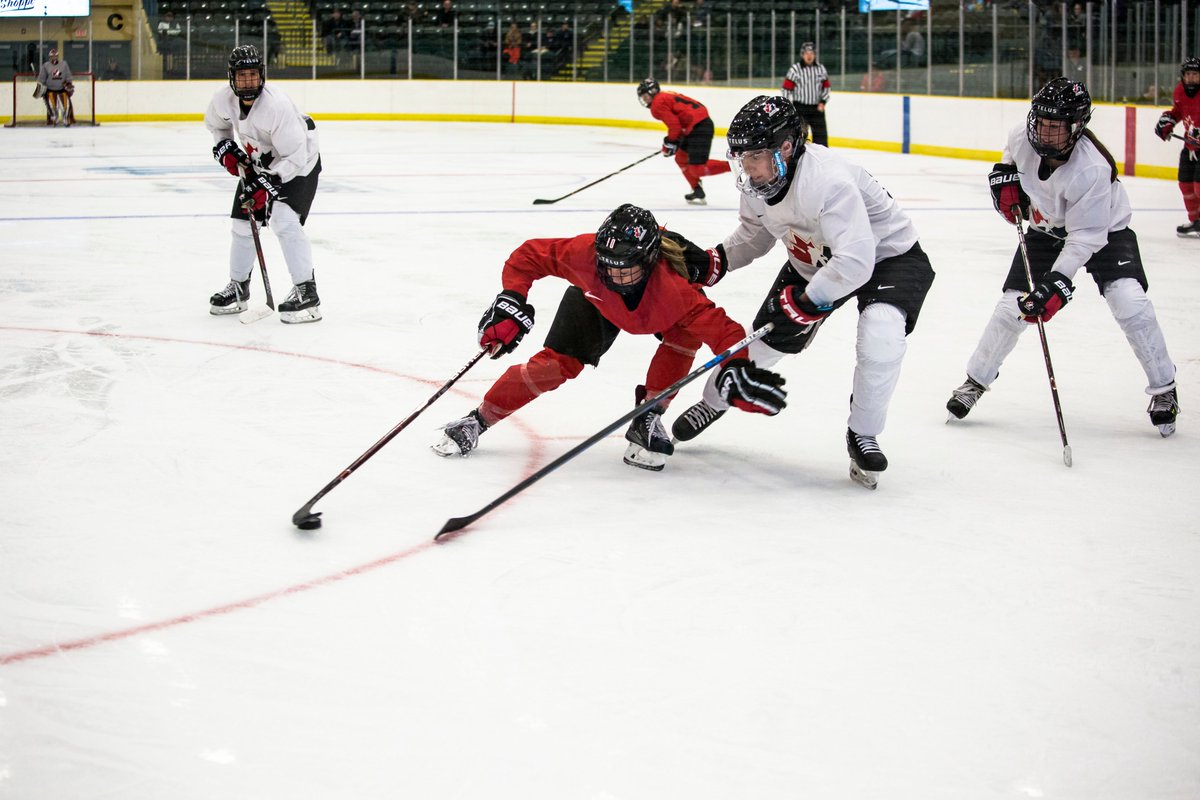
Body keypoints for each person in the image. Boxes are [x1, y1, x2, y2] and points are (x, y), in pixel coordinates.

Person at [669, 96, 936, 490]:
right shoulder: (759, 180)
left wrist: (810, 300)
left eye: (756, 156)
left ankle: (863, 432)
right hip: (815, 260)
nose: (748, 167)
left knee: (881, 334)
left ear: (787, 147)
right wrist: (716, 261)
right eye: (741, 157)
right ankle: (713, 401)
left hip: (888, 258)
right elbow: (754, 235)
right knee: (763, 344)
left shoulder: (829, 182)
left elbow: (858, 259)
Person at [432, 204, 788, 472]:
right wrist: (512, 298)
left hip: (660, 313)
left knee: (683, 339)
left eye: (625, 266)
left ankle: (649, 415)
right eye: (607, 263)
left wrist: (736, 366)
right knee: (554, 367)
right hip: (594, 302)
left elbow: (724, 331)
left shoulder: (676, 293)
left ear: (649, 260)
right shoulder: (585, 256)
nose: (614, 274)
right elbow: (529, 256)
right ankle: (477, 420)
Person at [948, 78, 1180, 437]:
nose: (1045, 132)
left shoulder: (1092, 169)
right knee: (1011, 308)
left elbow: (1085, 238)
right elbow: (1009, 164)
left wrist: (1057, 283)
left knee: (1130, 302)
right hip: (1046, 230)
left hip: (1104, 232)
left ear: (1076, 126)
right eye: (1041, 122)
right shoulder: (1020, 137)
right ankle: (975, 382)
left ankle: (1164, 389)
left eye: (1056, 126)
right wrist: (1005, 186)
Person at [204, 45, 324, 324]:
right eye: (242, 75)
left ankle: (307, 291)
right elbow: (216, 126)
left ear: (262, 76)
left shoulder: (276, 106)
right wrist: (225, 149)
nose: (248, 81)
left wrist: (266, 185)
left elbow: (296, 156)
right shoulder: (223, 100)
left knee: (283, 221)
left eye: (253, 74)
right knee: (243, 224)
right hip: (259, 163)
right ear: (232, 77)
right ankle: (238, 288)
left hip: (299, 166)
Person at [636, 78, 732, 204]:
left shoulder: (657, 104)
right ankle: (697, 189)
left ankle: (736, 166)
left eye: (644, 95)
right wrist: (672, 141)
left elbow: (674, 126)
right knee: (680, 158)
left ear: (652, 92)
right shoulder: (665, 95)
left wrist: (670, 142)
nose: (643, 99)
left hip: (699, 127)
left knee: (697, 169)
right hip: (696, 125)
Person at [1153, 57, 1200, 237]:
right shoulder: (1180, 91)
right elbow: (1179, 112)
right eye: (1188, 74)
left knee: (1199, 187)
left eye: (1195, 74)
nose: (1191, 78)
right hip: (1189, 147)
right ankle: (1195, 222)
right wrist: (1168, 121)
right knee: (1185, 185)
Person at [780, 43, 830, 146]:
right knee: (798, 136)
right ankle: (797, 158)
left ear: (815, 54)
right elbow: (786, 89)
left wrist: (823, 102)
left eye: (811, 53)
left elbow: (826, 87)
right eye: (806, 53)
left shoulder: (821, 69)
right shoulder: (795, 70)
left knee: (821, 138)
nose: (809, 56)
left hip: (817, 108)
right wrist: (788, 106)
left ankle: (821, 158)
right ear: (802, 55)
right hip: (800, 108)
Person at [36, 48, 74, 127]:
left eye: (55, 56)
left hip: (62, 89)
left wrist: (69, 84)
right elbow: (41, 78)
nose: (54, 58)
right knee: (53, 107)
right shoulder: (46, 65)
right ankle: (54, 119)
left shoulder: (64, 64)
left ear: (58, 56)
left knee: (65, 106)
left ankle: (66, 120)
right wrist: (40, 88)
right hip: (50, 90)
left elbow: (68, 75)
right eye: (52, 56)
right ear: (50, 57)